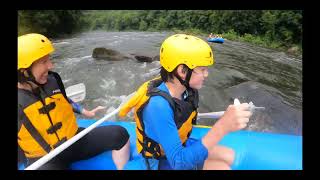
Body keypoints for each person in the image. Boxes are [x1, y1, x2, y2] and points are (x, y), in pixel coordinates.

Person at [119, 34, 252, 170]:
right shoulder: (158, 106)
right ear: (182, 71)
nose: (206, 74)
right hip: (159, 160)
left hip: (179, 145)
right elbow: (179, 163)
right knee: (222, 167)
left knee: (228, 155)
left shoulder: (185, 88)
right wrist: (222, 127)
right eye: (202, 69)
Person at [18, 33, 130, 170]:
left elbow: (64, 100)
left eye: (49, 60)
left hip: (74, 140)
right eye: (43, 62)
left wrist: (86, 112)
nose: (50, 66)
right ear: (24, 71)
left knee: (119, 134)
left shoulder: (52, 80)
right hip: (44, 159)